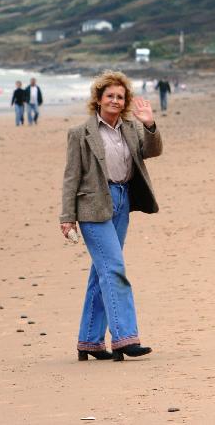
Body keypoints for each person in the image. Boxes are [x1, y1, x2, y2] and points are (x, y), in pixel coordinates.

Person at [59, 70, 163, 362]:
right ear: (99, 99)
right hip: (93, 206)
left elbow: (152, 151)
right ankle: (124, 339)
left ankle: (89, 342)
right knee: (114, 269)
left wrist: (150, 124)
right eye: (110, 96)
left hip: (122, 202)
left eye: (120, 97)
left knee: (101, 272)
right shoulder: (80, 134)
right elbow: (71, 177)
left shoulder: (130, 129)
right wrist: (67, 216)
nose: (115, 100)